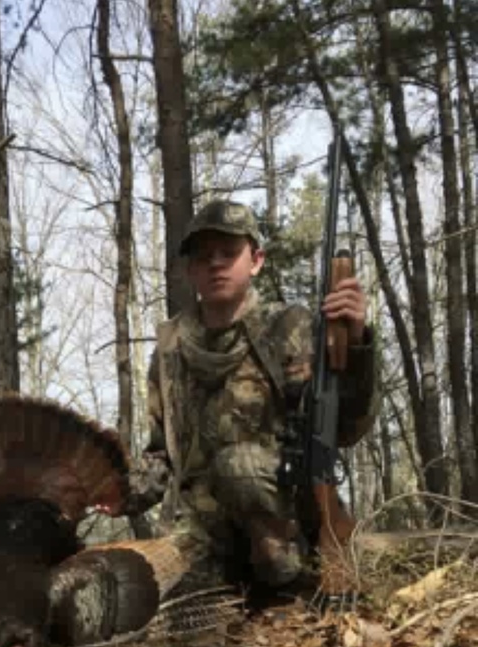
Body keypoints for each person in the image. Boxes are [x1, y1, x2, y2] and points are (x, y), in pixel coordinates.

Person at [131, 199, 377, 594]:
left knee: (237, 464)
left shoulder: (291, 327)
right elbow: (161, 454)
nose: (216, 264)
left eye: (229, 253)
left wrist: (359, 342)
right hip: (202, 527)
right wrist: (115, 490)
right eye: (203, 256)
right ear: (190, 270)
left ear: (256, 260)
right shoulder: (169, 349)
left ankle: (292, 578)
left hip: (285, 517)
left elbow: (347, 427)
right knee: (135, 590)